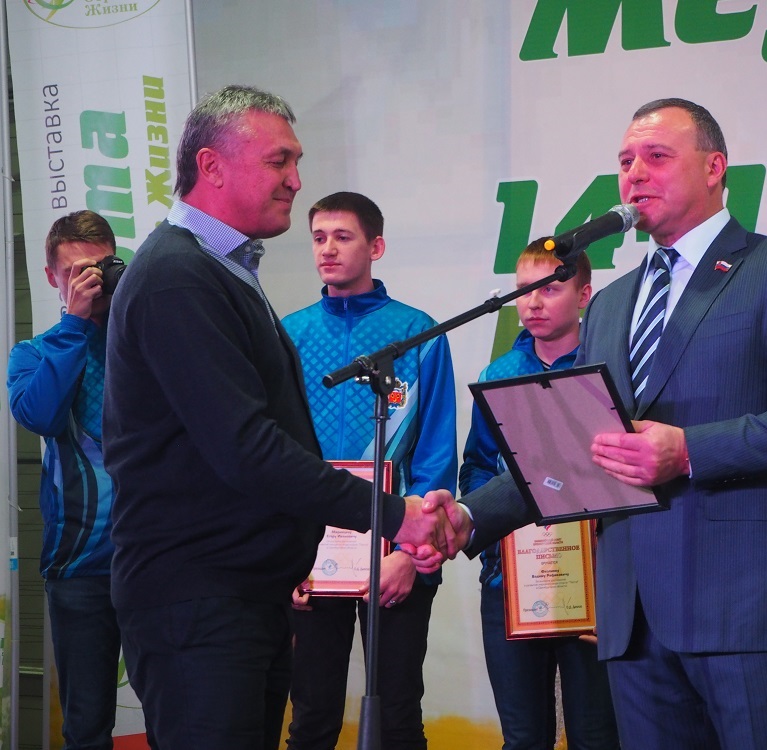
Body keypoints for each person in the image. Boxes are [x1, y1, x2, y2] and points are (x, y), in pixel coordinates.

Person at [427, 98, 767, 749]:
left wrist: (690, 450)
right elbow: (577, 450)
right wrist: (470, 516)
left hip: (750, 610)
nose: (634, 174)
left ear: (714, 168)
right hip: (634, 621)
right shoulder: (610, 304)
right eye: (625, 161)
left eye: (656, 156)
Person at [101, 85, 455, 750]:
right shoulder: (178, 276)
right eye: (279, 161)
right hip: (201, 605)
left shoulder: (220, 269)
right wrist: (395, 515)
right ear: (212, 167)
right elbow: (247, 448)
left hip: (242, 598)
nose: (295, 180)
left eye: (296, 162)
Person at [282, 191, 458, 750]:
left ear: (375, 246)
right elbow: (274, 456)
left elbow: (435, 456)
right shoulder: (290, 335)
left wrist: (409, 554)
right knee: (311, 718)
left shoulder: (417, 334)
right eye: (318, 238)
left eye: (343, 236)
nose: (327, 249)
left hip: (395, 557)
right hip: (310, 560)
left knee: (398, 717)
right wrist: (285, 559)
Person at [460, 240, 619, 749]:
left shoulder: (608, 367)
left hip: (594, 582)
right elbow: (477, 466)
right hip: (511, 579)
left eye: (550, 289)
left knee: (597, 736)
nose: (532, 303)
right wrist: (496, 541)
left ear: (584, 295)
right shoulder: (497, 375)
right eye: (523, 291)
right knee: (524, 737)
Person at [7, 211, 122, 750]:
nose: (90, 281)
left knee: (180, 718)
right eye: (76, 271)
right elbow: (41, 415)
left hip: (156, 560)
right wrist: (75, 324)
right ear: (52, 276)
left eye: (101, 267)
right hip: (79, 566)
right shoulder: (33, 353)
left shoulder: (146, 340)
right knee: (87, 726)